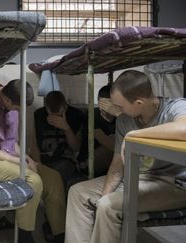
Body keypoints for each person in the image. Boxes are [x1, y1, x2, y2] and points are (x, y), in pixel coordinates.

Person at [65, 70, 186, 243]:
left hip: (174, 183)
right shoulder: (124, 120)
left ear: (138, 102)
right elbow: (117, 165)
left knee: (109, 206)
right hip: (138, 177)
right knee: (78, 193)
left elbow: (184, 129)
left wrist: (136, 134)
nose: (117, 111)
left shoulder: (176, 107)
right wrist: (104, 195)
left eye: (120, 107)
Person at [0, 80, 66, 243]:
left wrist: (27, 158)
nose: (18, 111)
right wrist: (18, 162)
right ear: (8, 100)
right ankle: (24, 236)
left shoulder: (11, 101)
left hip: (6, 159)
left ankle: (60, 235)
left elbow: (11, 144)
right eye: (17, 108)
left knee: (53, 178)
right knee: (33, 180)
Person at [33, 90, 84, 189]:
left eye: (59, 115)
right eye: (52, 114)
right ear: (46, 108)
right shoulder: (39, 114)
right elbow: (34, 143)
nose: (55, 118)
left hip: (64, 159)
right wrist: (38, 164)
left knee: (56, 175)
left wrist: (66, 128)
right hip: (44, 159)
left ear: (65, 107)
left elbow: (76, 147)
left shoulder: (75, 115)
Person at [78, 84, 118, 176]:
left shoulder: (120, 117)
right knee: (115, 144)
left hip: (111, 160)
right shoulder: (92, 115)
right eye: (101, 103)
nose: (104, 107)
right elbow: (104, 140)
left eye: (107, 104)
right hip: (88, 160)